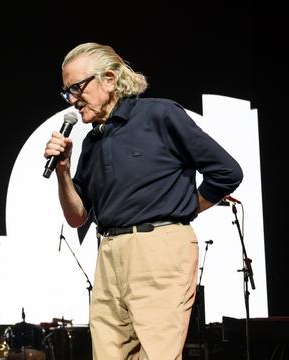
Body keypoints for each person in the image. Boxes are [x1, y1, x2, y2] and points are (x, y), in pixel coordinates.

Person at [44, 42, 243, 359]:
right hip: (108, 254)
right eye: (66, 92)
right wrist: (64, 172)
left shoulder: (159, 115)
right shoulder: (92, 143)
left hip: (158, 248)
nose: (71, 100)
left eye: (77, 88)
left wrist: (187, 209)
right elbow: (77, 217)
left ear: (109, 79)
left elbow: (227, 172)